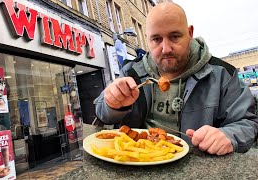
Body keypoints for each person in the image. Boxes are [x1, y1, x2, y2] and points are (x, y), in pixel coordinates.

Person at [94, 2, 258, 155]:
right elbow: (102, 114)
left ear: (190, 33)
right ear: (147, 39)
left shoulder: (222, 74)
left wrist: (228, 135)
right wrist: (112, 105)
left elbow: (248, 124)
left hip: (198, 165)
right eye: (156, 39)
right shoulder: (132, 72)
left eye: (174, 36)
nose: (165, 49)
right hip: (139, 162)